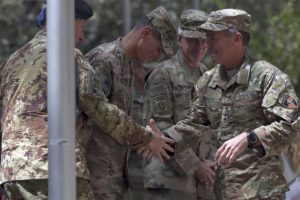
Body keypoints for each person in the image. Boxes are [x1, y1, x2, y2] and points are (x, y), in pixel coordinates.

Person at [0, 1, 173, 199]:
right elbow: (99, 109)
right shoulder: (69, 56)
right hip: (53, 167)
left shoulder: (11, 62)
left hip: (12, 172)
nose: (82, 37)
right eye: (82, 28)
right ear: (66, 22)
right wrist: (147, 137)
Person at [148, 8, 299, 199]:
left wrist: (249, 138)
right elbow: (192, 125)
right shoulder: (207, 81)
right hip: (222, 191)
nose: (207, 45)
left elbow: (290, 126)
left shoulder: (269, 78)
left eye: (213, 38)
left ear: (237, 39)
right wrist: (162, 138)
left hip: (261, 191)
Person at [85, 6, 177, 200]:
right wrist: (146, 137)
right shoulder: (104, 60)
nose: (157, 56)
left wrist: (145, 136)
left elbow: (115, 124)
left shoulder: (126, 66)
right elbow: (95, 113)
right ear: (145, 33)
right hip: (94, 180)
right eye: (159, 49)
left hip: (115, 180)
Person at [142, 9, 216, 200]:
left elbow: (213, 125)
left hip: (200, 184)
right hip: (169, 182)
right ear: (179, 40)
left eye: (203, 40)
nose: (199, 47)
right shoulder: (163, 75)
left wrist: (210, 164)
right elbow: (159, 128)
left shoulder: (206, 75)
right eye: (192, 40)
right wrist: (195, 165)